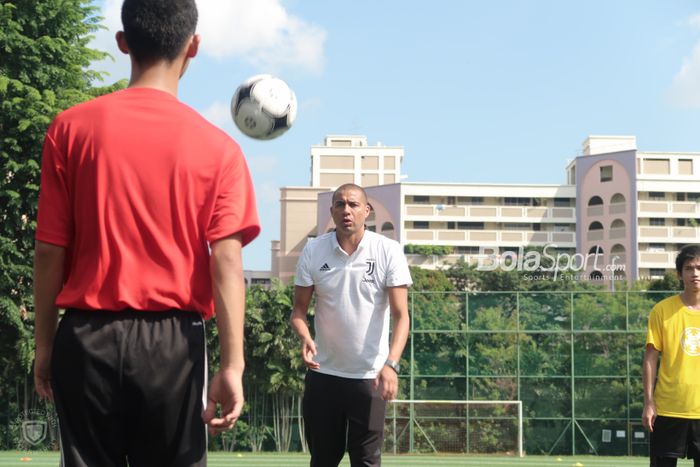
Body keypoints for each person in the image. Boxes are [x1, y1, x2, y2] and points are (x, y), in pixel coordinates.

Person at [32, 0, 260, 465]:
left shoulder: (69, 129)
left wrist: (44, 343)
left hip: (86, 335)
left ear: (122, 43)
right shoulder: (220, 150)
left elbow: (49, 249)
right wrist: (232, 365)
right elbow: (227, 261)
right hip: (173, 344)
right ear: (193, 47)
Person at [290, 183, 412, 467]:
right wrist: (305, 336)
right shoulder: (313, 250)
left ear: (366, 211)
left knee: (366, 461)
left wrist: (391, 364)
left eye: (354, 204)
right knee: (323, 459)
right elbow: (298, 311)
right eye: (340, 204)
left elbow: (401, 316)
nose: (346, 210)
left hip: (369, 379)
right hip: (324, 376)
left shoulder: (388, 251)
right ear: (332, 211)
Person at [643, 244, 700, 467]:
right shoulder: (662, 310)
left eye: (699, 267)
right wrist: (649, 403)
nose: (695, 273)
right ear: (679, 274)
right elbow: (650, 357)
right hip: (668, 408)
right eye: (689, 268)